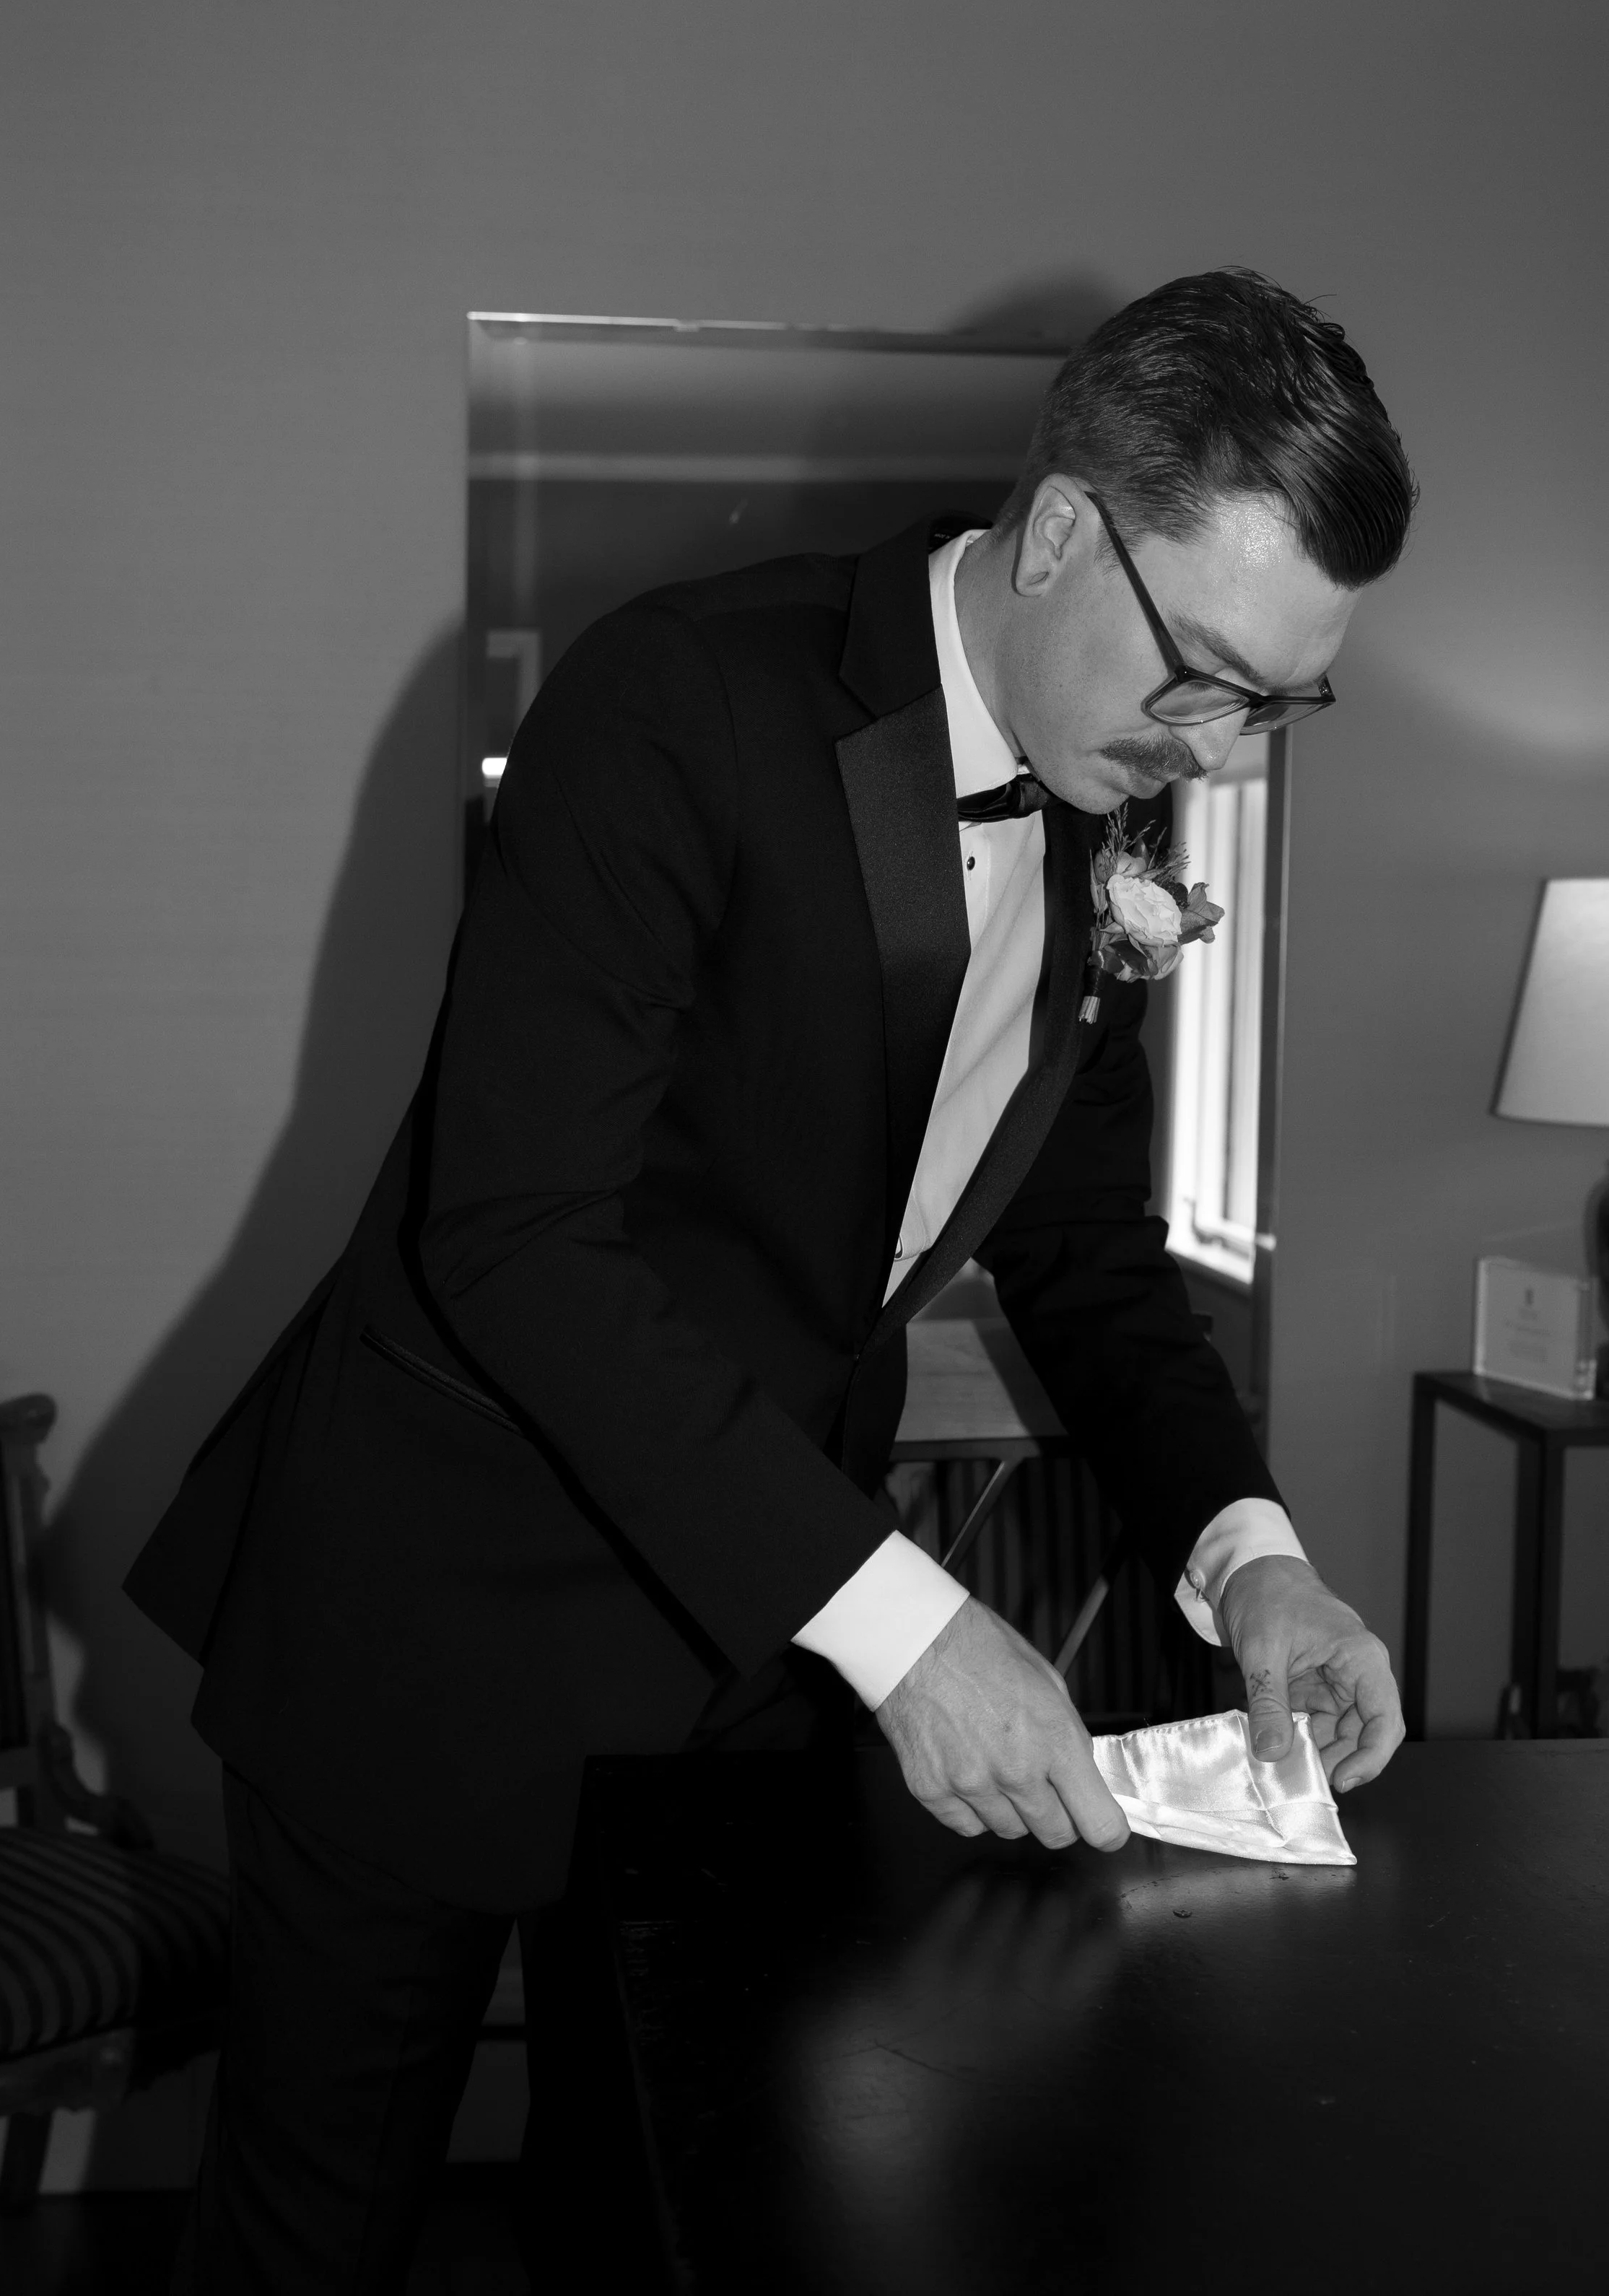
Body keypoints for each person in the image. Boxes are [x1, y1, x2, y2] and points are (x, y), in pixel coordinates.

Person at [127, 266, 1415, 2292]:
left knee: (672, 2208)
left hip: (738, 1659)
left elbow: (1083, 1255)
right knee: (309, 2242)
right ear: (1063, 529)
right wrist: (911, 1631)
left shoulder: (1106, 803)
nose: (1228, 761)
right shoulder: (681, 701)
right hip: (433, 1626)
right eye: (1210, 680)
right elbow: (513, 1236)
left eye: (1277, 703)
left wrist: (1250, 1555)